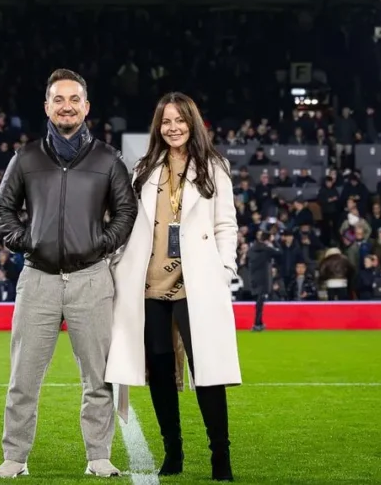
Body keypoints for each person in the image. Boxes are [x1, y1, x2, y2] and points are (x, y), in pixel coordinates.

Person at [0, 69, 138, 479]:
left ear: (86, 107)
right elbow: (1, 209)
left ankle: (99, 456)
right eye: (59, 99)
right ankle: (14, 458)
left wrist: (102, 244)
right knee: (23, 378)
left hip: (92, 278)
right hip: (37, 278)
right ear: (47, 106)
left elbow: (127, 211)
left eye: (74, 99)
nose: (67, 106)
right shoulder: (26, 157)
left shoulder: (108, 159)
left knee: (99, 379)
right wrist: (25, 240)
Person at [105, 92, 240, 482]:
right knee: (161, 372)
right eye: (166, 121)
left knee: (208, 372)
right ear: (158, 127)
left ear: (192, 123)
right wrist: (118, 264)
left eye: (180, 120)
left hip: (196, 284)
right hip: (149, 285)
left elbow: (225, 225)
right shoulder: (144, 169)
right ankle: (173, 450)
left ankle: (221, 457)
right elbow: (128, 223)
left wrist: (225, 268)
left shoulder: (215, 167)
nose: (173, 127)